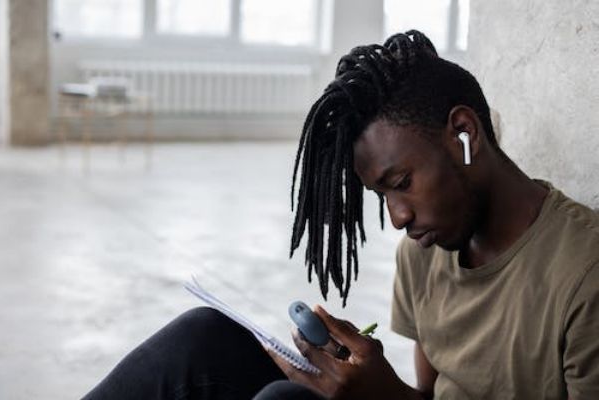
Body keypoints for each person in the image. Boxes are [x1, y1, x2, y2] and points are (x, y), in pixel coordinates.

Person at [83, 30, 599, 399]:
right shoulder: (426, 250)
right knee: (204, 337)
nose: (398, 218)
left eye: (401, 183)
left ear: (463, 133)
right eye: (381, 195)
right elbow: (430, 393)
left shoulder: (584, 274)